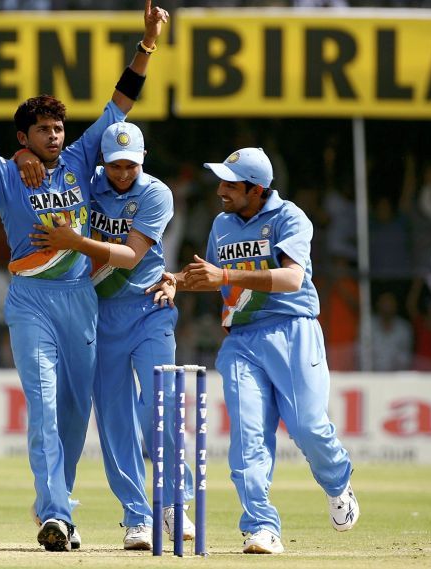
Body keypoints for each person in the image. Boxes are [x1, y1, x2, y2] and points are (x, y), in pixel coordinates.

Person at [0, 0, 168, 552]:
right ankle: (56, 516)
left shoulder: (81, 158)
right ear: (24, 138)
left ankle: (58, 505)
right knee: (41, 404)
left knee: (73, 412)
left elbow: (121, 104)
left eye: (60, 128)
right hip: (31, 300)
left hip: (79, 299)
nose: (57, 136)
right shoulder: (5, 173)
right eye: (44, 130)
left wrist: (147, 45)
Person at [151, 147, 359, 554]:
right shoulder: (222, 224)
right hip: (242, 340)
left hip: (292, 331)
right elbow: (211, 278)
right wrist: (177, 279)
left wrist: (227, 273)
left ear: (256, 188)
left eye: (230, 184)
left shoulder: (289, 217)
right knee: (246, 440)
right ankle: (261, 526)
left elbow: (293, 278)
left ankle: (337, 483)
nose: (221, 191)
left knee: (307, 427)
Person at [27, 122, 194, 551]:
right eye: (116, 165)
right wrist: (22, 156)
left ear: (143, 160)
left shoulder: (156, 193)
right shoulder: (89, 183)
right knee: (115, 420)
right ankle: (137, 517)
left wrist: (75, 241)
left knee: (164, 403)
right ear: (102, 162)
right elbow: (44, 170)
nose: (123, 174)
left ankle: (175, 504)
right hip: (97, 316)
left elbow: (131, 255)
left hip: (149, 309)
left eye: (131, 165)